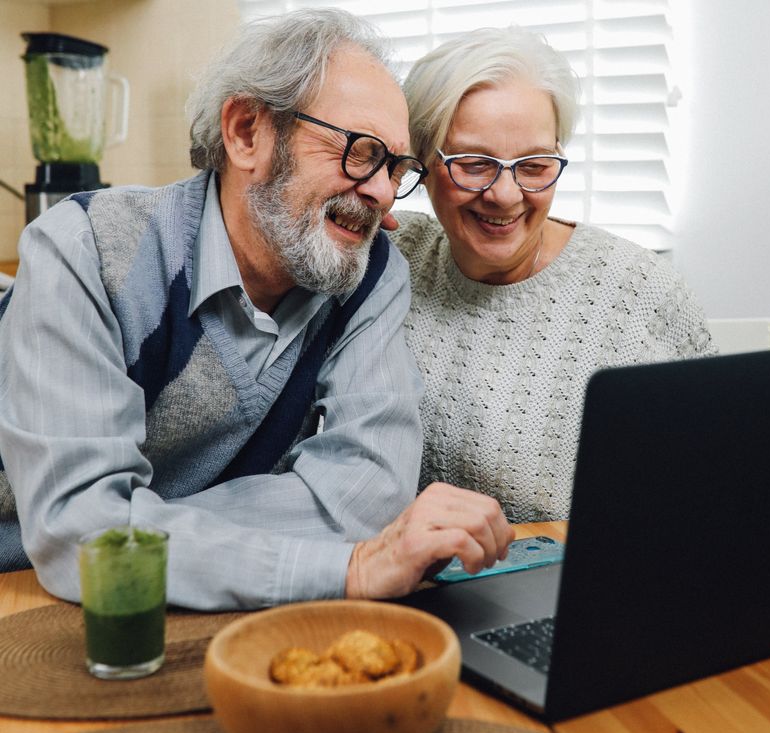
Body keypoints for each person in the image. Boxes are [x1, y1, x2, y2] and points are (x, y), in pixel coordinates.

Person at [0, 10, 512, 608]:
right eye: (360, 151)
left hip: (182, 601)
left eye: (395, 168)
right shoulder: (85, 247)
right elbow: (78, 535)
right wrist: (339, 564)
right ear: (247, 133)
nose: (379, 191)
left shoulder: (369, 273)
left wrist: (139, 525)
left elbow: (368, 493)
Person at [388, 27, 716, 523]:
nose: (505, 195)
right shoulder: (388, 258)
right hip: (407, 583)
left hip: (578, 583)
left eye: (535, 165)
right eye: (474, 164)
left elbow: (714, 482)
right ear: (422, 165)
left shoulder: (642, 292)